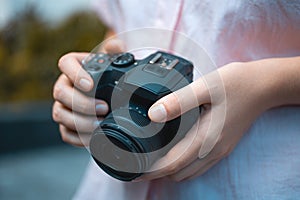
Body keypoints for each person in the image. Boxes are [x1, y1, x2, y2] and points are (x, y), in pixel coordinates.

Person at [52, 0, 300, 199]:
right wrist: (91, 78)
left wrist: (265, 85)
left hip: (253, 178)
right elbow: (118, 28)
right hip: (113, 188)